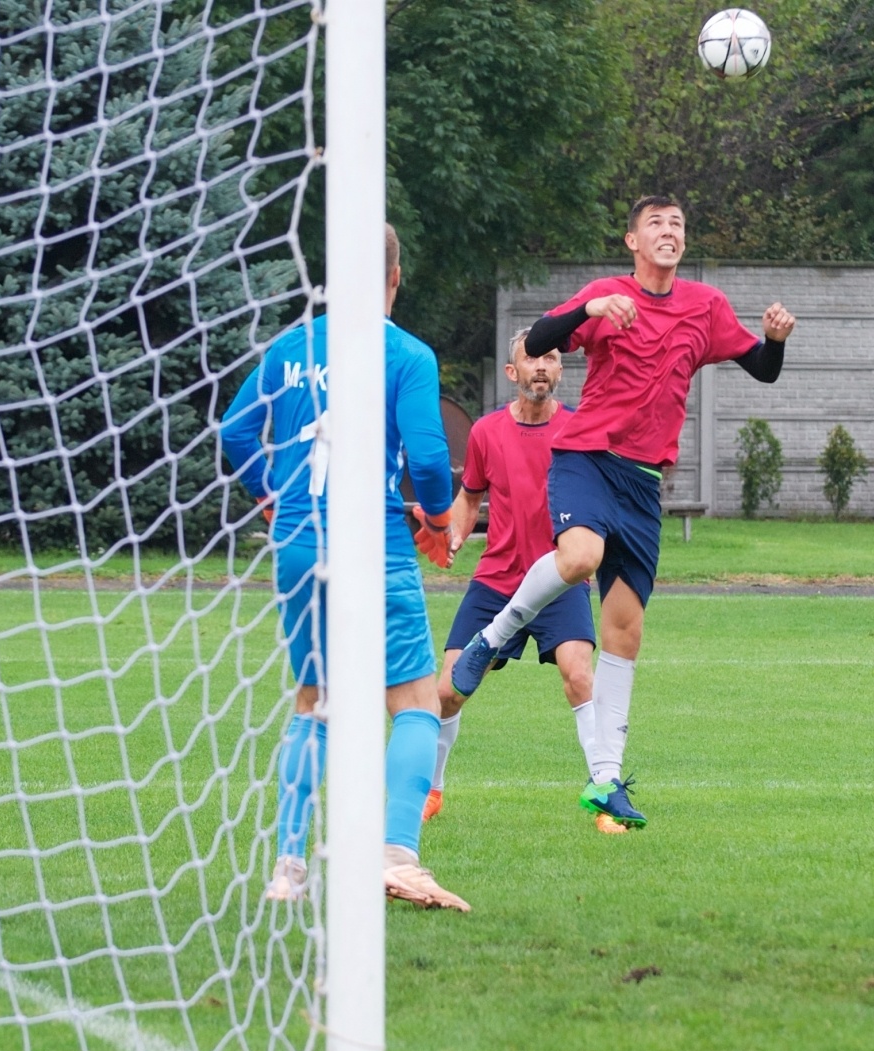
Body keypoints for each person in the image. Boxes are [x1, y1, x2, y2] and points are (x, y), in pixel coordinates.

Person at [449, 195, 795, 829]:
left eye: (677, 224)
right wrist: (590, 309)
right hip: (587, 458)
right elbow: (541, 338)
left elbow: (763, 370)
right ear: (633, 240)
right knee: (581, 557)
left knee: (625, 634)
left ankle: (606, 780)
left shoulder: (706, 307)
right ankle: (492, 639)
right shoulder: (607, 295)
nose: (669, 231)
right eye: (656, 223)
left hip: (643, 483)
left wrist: (774, 341)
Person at [219, 224, 469, 911]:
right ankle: (397, 857)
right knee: (414, 702)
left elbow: (235, 432)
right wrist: (438, 521)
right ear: (395, 277)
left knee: (315, 701)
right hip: (374, 541)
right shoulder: (405, 353)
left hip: (300, 541)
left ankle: (289, 868)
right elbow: (428, 458)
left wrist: (272, 497)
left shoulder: (289, 348)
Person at [427, 328, 617, 830]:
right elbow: (471, 496)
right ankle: (432, 790)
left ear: (560, 370)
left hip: (559, 577)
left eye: (550, 358)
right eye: (531, 359)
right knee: (447, 691)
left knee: (579, 676)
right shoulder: (486, 432)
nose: (541, 366)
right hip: (498, 580)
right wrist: (454, 533)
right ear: (513, 372)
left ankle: (606, 794)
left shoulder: (578, 430)